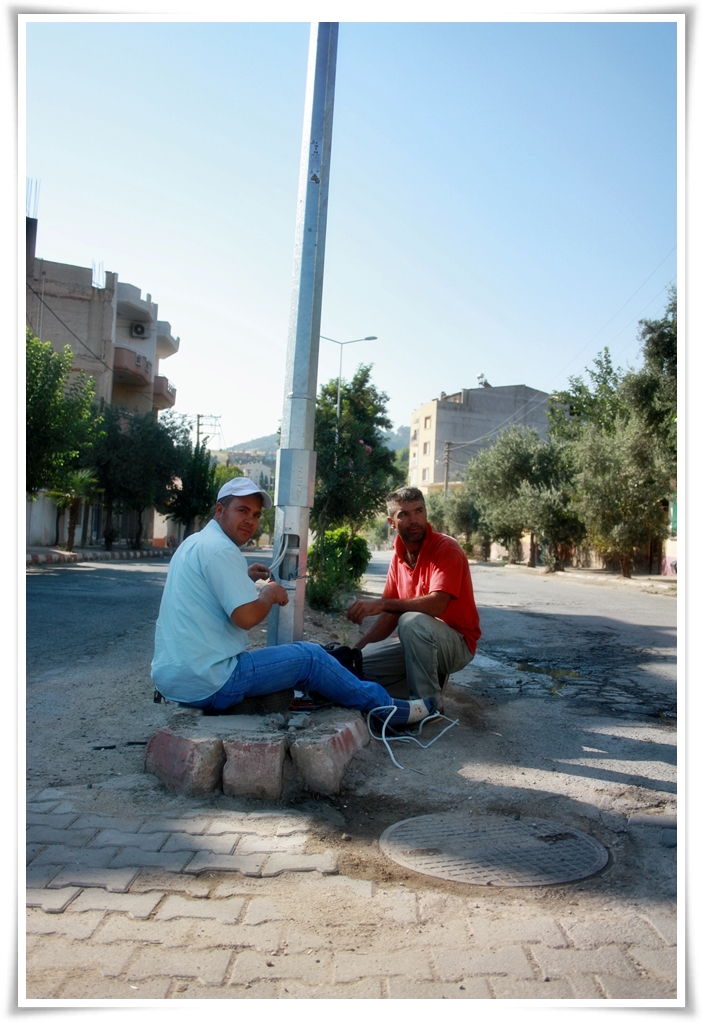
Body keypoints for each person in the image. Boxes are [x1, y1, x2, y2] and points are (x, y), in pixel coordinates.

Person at [151, 477, 436, 727]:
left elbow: (207, 592)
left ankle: (245, 703)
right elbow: (246, 617)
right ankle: (386, 709)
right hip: (210, 681)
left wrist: (243, 576)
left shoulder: (195, 543)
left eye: (256, 514)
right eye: (242, 511)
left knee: (297, 664)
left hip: (175, 681)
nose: (250, 520)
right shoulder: (221, 550)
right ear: (219, 510)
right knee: (309, 657)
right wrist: (269, 594)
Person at [347, 486, 480, 708]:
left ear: (426, 513)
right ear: (392, 523)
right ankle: (412, 687)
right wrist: (352, 653)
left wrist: (381, 604)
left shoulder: (446, 549)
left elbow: (437, 605)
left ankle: (427, 707)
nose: (414, 519)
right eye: (404, 514)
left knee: (411, 621)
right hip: (415, 641)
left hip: (457, 644)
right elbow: (389, 616)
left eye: (419, 511)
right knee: (358, 667)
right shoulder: (398, 556)